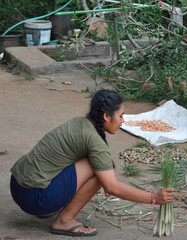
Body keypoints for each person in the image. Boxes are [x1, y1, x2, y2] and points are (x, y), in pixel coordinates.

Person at [10, 89, 175, 236]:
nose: (123, 121)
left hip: (17, 185)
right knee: (99, 172)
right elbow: (112, 187)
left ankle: (52, 203)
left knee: (97, 166)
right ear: (106, 116)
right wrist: (154, 198)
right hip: (34, 198)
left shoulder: (79, 123)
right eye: (121, 115)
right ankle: (64, 220)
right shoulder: (95, 142)